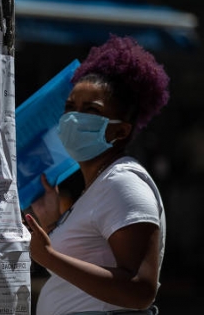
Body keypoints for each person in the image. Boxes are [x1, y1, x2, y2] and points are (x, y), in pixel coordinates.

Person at [25, 36, 168, 315]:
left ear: (120, 131)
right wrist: (53, 222)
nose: (73, 119)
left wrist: (49, 258)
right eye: (70, 108)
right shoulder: (99, 185)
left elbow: (141, 290)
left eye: (91, 111)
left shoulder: (122, 183)